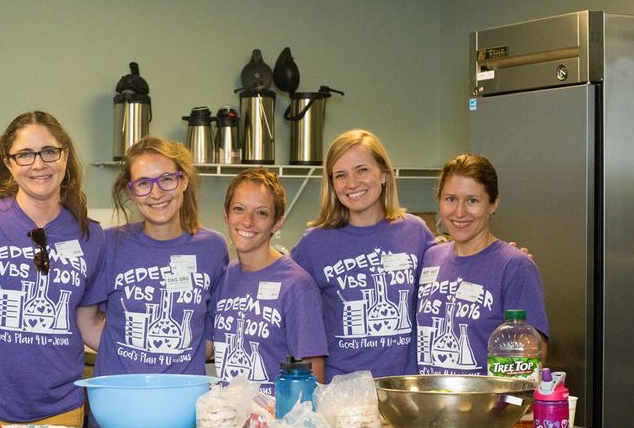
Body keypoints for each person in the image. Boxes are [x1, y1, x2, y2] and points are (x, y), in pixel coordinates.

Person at [0, 111, 106, 428]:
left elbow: (88, 323)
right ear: (8, 163)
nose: (39, 164)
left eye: (49, 151)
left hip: (60, 412)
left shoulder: (90, 235)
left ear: (65, 156)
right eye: (24, 154)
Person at [290, 129, 436, 379]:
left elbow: (448, 281)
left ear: (384, 175)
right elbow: (287, 304)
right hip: (341, 392)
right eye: (341, 175)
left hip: (404, 390)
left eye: (362, 170)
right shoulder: (313, 243)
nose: (352, 183)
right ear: (332, 184)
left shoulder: (415, 232)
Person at [90, 137, 228, 381]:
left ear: (183, 180)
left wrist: (176, 357)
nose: (156, 193)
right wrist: (132, 356)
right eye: (143, 183)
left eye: (166, 179)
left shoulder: (213, 247)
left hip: (184, 398)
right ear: (131, 191)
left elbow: (214, 327)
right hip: (119, 396)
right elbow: (85, 319)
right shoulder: (109, 243)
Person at [415, 153, 548, 374]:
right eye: (451, 199)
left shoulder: (515, 266)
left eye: (472, 201)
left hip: (486, 397)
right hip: (431, 395)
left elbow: (533, 357)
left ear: (493, 204)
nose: (459, 212)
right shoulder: (430, 258)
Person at [211, 168, 327, 392]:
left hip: (276, 414)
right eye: (239, 209)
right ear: (226, 214)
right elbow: (201, 347)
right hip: (230, 413)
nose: (247, 221)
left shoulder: (296, 285)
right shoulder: (224, 278)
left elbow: (314, 379)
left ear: (277, 223)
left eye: (261, 213)